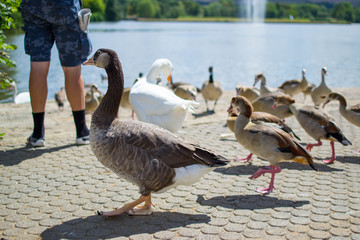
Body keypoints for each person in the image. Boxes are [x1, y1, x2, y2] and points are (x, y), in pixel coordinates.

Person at [20, 0, 92, 147]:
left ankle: (38, 134)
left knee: (38, 65)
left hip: (34, 7)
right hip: (64, 7)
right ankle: (82, 132)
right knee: (72, 68)